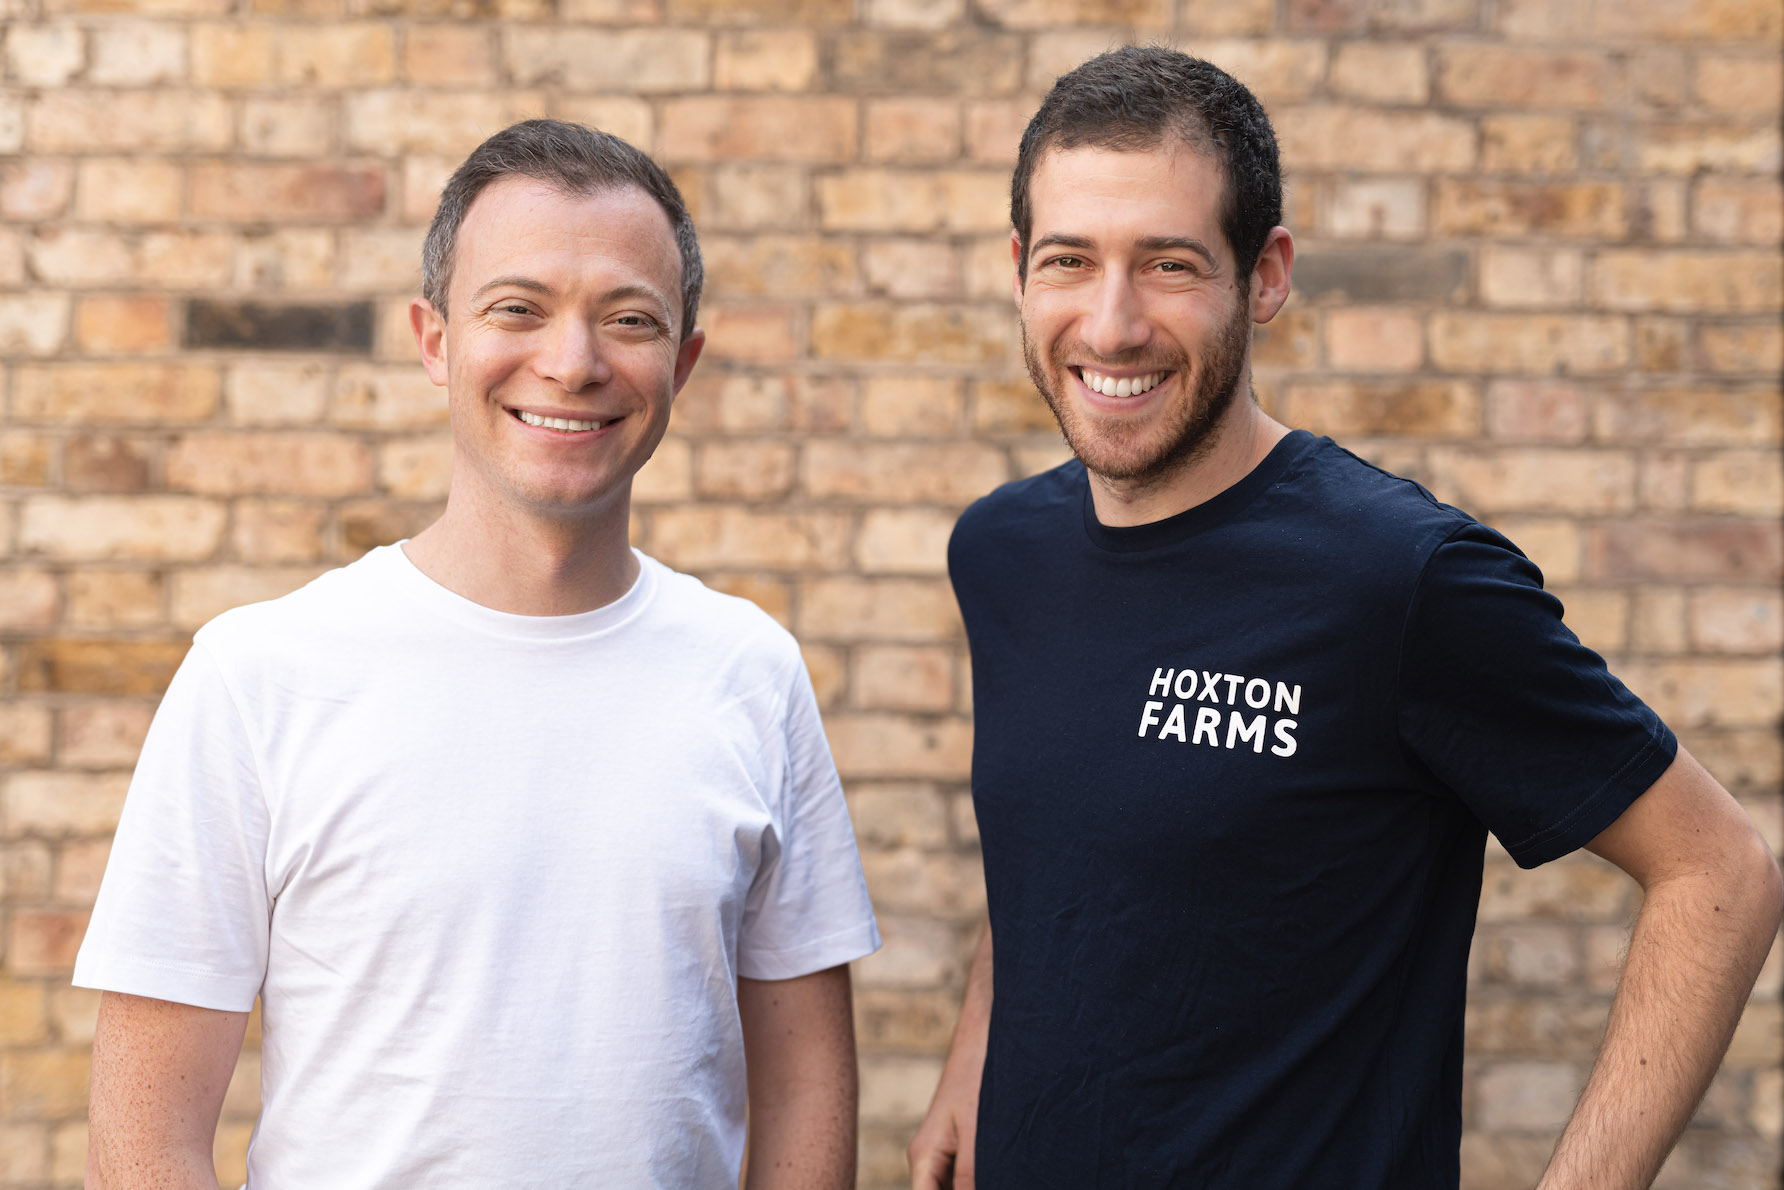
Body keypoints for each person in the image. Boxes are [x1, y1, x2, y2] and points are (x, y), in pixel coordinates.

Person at [908, 47, 1781, 1190]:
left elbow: (1718, 871)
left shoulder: (1401, 578)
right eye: (1070, 260)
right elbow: (1061, 841)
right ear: (1021, 269)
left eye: (1168, 263)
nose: (1110, 323)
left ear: (1264, 275)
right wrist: (972, 1056)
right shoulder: (1000, 551)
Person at [75, 119, 879, 1189]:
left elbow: (804, 1092)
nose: (571, 362)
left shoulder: (749, 671)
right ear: (434, 338)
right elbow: (145, 1138)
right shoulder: (257, 674)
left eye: (628, 319)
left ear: (681, 361)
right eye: (517, 308)